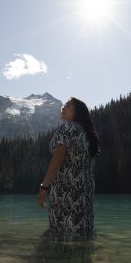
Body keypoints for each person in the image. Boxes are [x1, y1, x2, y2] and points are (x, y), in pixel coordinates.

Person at [37, 97, 100, 241]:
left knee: (61, 233)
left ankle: (59, 261)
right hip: (85, 191)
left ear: (78, 112)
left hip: (66, 191)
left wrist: (44, 187)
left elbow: (58, 157)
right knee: (82, 233)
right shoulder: (88, 134)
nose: (63, 108)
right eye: (64, 105)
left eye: (68, 105)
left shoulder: (68, 127)